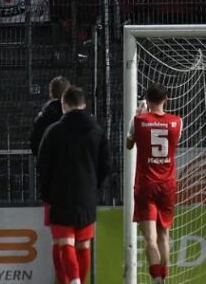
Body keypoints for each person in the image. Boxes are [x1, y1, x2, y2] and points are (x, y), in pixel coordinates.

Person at [37, 85, 112, 284]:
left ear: (64, 105)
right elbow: (106, 165)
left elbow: (42, 165)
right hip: (86, 195)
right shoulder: (97, 131)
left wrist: (47, 193)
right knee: (83, 244)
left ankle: (74, 280)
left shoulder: (53, 131)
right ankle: (79, 281)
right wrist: (94, 185)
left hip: (60, 194)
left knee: (65, 242)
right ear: (84, 104)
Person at [125, 84, 182, 284]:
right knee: (164, 235)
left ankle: (157, 279)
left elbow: (129, 145)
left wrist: (138, 117)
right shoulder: (177, 122)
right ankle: (164, 278)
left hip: (145, 184)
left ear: (147, 100)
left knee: (150, 238)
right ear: (166, 99)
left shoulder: (139, 121)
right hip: (167, 185)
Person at [29, 76, 72, 282]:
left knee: (58, 238)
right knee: (78, 241)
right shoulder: (77, 118)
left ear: (50, 93)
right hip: (77, 184)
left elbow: (34, 147)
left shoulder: (42, 118)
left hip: (52, 185)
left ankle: (62, 279)